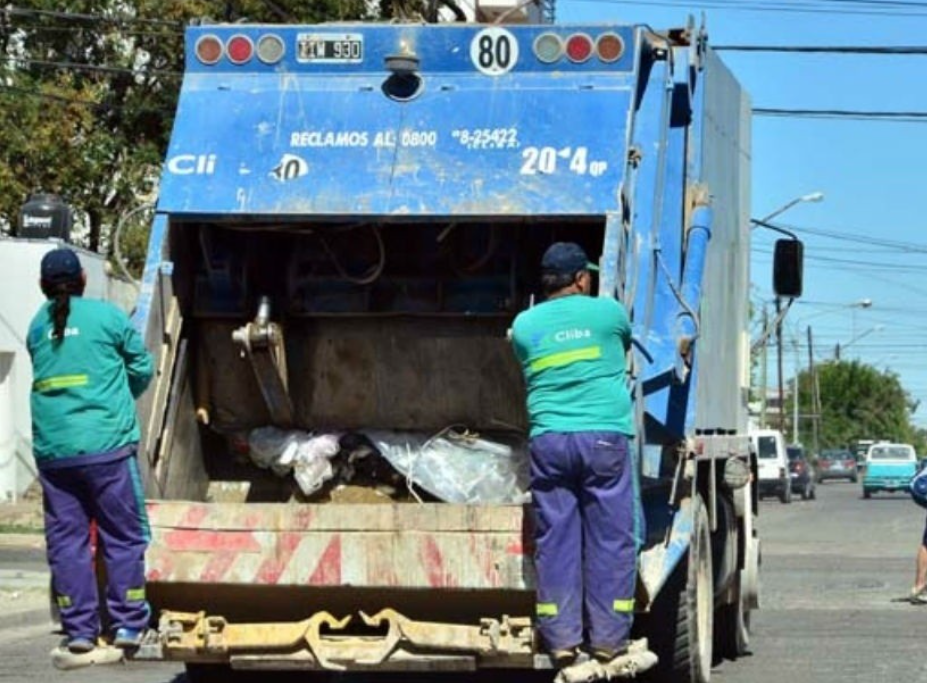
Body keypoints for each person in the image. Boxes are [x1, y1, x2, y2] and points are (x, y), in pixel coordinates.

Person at [510, 242, 636, 666]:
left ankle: (561, 639)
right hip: (603, 439)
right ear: (582, 279)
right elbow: (626, 343)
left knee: (556, 539)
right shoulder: (608, 314)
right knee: (610, 538)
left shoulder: (525, 325)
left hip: (550, 441)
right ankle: (608, 639)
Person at [27, 247, 154, 655]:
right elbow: (141, 368)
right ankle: (129, 624)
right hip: (107, 449)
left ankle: (80, 630)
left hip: (55, 453)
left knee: (68, 543)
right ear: (84, 279)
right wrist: (120, 397)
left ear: (43, 286)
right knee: (123, 536)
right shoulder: (108, 316)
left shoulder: (35, 326)